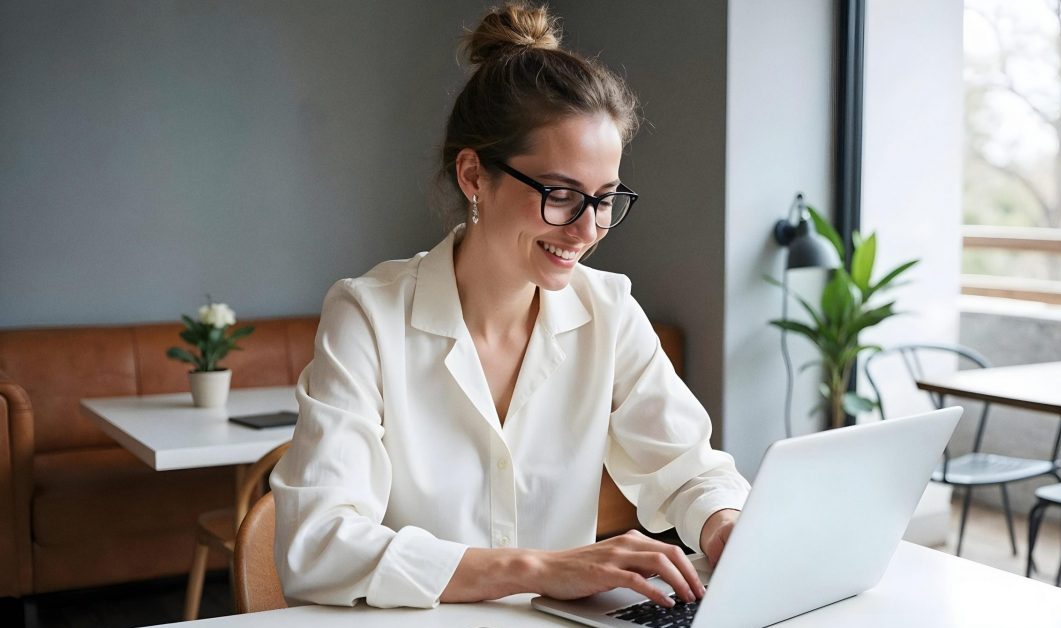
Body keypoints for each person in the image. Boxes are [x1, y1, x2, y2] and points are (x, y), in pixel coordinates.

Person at [270, 1, 750, 611]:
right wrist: (540, 569)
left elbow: (689, 468)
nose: (587, 230)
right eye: (560, 194)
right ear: (474, 175)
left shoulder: (608, 311)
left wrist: (725, 523)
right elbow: (317, 545)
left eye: (604, 198)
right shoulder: (368, 317)